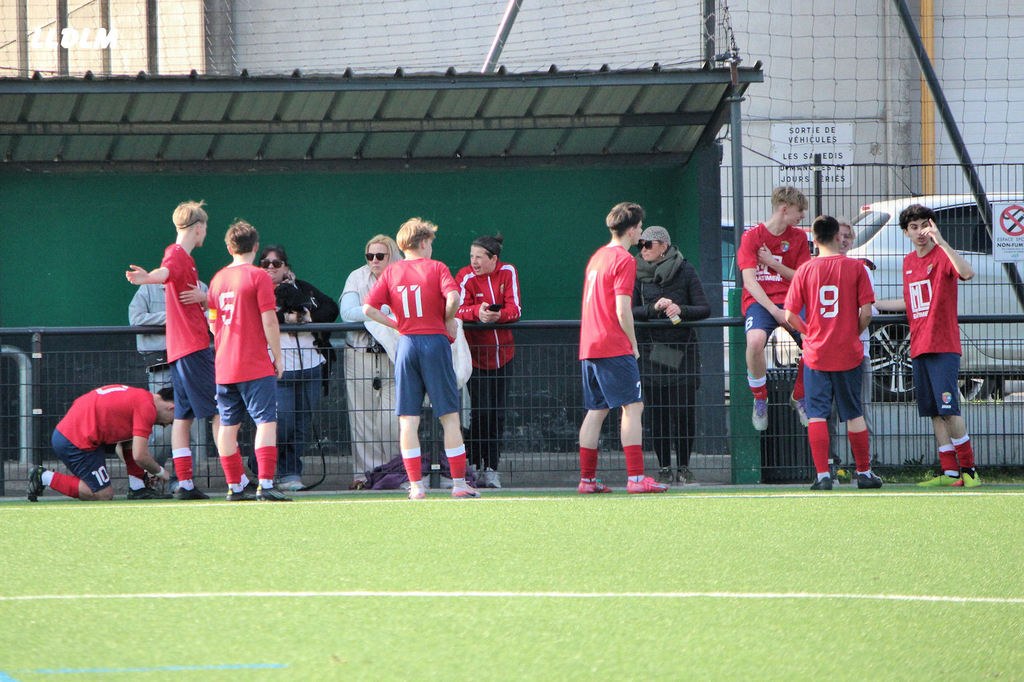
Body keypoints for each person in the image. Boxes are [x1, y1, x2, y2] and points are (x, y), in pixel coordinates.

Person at [362, 217, 479, 500]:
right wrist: (448, 319)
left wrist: (397, 325)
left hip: (407, 344)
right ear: (424, 242)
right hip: (434, 342)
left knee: (408, 419)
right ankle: (459, 484)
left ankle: (415, 487)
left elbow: (368, 309)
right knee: (449, 417)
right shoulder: (437, 267)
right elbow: (454, 298)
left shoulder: (391, 272)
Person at [875, 204, 980, 487]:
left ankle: (969, 469)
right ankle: (950, 472)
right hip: (919, 345)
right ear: (906, 232)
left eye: (925, 225)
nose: (920, 231)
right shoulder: (908, 262)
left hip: (943, 345)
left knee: (950, 409)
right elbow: (911, 301)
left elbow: (968, 273)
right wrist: (875, 305)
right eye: (914, 227)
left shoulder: (942, 255)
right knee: (933, 411)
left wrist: (942, 241)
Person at [125, 200, 216, 501]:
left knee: (183, 417)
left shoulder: (182, 258)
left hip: (180, 350)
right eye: (205, 228)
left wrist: (204, 298)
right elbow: (165, 272)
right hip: (193, 348)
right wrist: (148, 278)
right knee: (220, 412)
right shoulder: (177, 255)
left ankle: (185, 483)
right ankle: (237, 482)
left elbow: (168, 273)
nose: (205, 234)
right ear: (199, 228)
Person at [784, 215, 881, 491]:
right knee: (854, 412)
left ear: (814, 240)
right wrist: (851, 332)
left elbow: (790, 315)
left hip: (816, 354)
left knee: (817, 414)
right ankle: (864, 473)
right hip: (848, 352)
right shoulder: (856, 268)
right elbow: (866, 313)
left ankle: (823, 476)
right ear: (838, 237)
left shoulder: (805, 270)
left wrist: (809, 333)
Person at [577, 202, 667, 495]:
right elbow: (622, 309)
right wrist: (633, 343)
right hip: (612, 345)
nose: (641, 233)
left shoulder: (597, 256)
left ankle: (587, 481)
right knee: (633, 406)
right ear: (631, 230)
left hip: (589, 345)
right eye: (640, 227)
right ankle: (636, 479)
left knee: (596, 409)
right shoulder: (624, 260)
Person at [207, 220, 288, 501]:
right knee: (266, 422)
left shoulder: (217, 279)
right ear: (255, 246)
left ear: (229, 248)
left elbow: (213, 323)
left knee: (228, 426)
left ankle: (234, 486)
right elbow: (269, 320)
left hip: (224, 366)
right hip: (254, 363)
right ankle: (265, 484)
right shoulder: (259, 277)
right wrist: (278, 356)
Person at [631, 225, 710, 485]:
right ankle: (664, 466)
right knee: (657, 414)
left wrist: (680, 309)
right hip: (651, 352)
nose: (643, 249)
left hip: (682, 351)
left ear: (663, 246)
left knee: (684, 411)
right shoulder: (637, 273)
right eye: (640, 245)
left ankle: (684, 467)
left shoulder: (685, 269)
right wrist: (653, 308)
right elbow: (630, 310)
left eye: (648, 245)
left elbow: (704, 308)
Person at [257, 245, 338, 491]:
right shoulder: (257, 290)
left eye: (277, 263)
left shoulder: (302, 288)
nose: (271, 267)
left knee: (302, 424)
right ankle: (259, 463)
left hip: (310, 364)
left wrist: (305, 316)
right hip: (278, 367)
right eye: (265, 263)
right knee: (282, 423)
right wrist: (287, 319)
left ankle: (291, 473)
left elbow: (330, 308)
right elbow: (258, 317)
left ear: (286, 267)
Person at [737, 186, 812, 431]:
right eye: (799, 210)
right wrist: (774, 311)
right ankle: (760, 398)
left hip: (791, 300)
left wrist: (772, 263)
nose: (802, 215)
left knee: (813, 342)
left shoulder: (799, 238)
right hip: (761, 302)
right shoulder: (752, 236)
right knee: (755, 342)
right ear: (785, 209)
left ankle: (799, 396)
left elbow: (802, 279)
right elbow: (749, 281)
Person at [27, 385, 176, 501]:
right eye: (171, 421)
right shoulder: (147, 408)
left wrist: (144, 471)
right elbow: (140, 456)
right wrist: (163, 473)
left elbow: (127, 446)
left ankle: (138, 488)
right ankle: (43, 477)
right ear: (171, 408)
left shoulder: (141, 396)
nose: (165, 426)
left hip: (76, 433)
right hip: (74, 441)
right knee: (103, 494)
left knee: (132, 438)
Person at [128, 281, 211, 485]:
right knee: (162, 429)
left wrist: (194, 315)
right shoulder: (149, 288)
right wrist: (174, 317)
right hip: (161, 365)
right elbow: (136, 319)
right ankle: (151, 476)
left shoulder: (199, 287)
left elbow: (215, 317)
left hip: (193, 364)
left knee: (194, 428)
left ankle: (184, 480)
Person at [455, 234, 522, 489]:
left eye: (479, 257)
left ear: (494, 259)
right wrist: (477, 313)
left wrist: (498, 316)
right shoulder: (464, 276)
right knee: (480, 413)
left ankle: (492, 469)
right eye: (471, 256)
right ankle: (473, 465)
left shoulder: (508, 272)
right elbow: (457, 309)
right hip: (475, 359)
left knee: (497, 414)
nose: (474, 262)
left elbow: (515, 309)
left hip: (504, 356)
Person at [339, 235, 403, 490]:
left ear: (391, 256)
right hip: (360, 352)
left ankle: (394, 472)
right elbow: (348, 313)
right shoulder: (357, 277)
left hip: (393, 354)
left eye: (380, 256)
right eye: (370, 256)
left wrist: (368, 312)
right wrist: (383, 311)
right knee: (361, 417)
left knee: (393, 417)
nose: (374, 260)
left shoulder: (401, 275)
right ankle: (365, 475)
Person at [827, 217, 877, 478]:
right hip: (827, 354)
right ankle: (830, 465)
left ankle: (865, 465)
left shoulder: (861, 269)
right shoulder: (818, 268)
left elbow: (869, 309)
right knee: (828, 411)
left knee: (860, 408)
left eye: (848, 236)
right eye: (839, 235)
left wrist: (850, 336)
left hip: (858, 353)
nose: (844, 240)